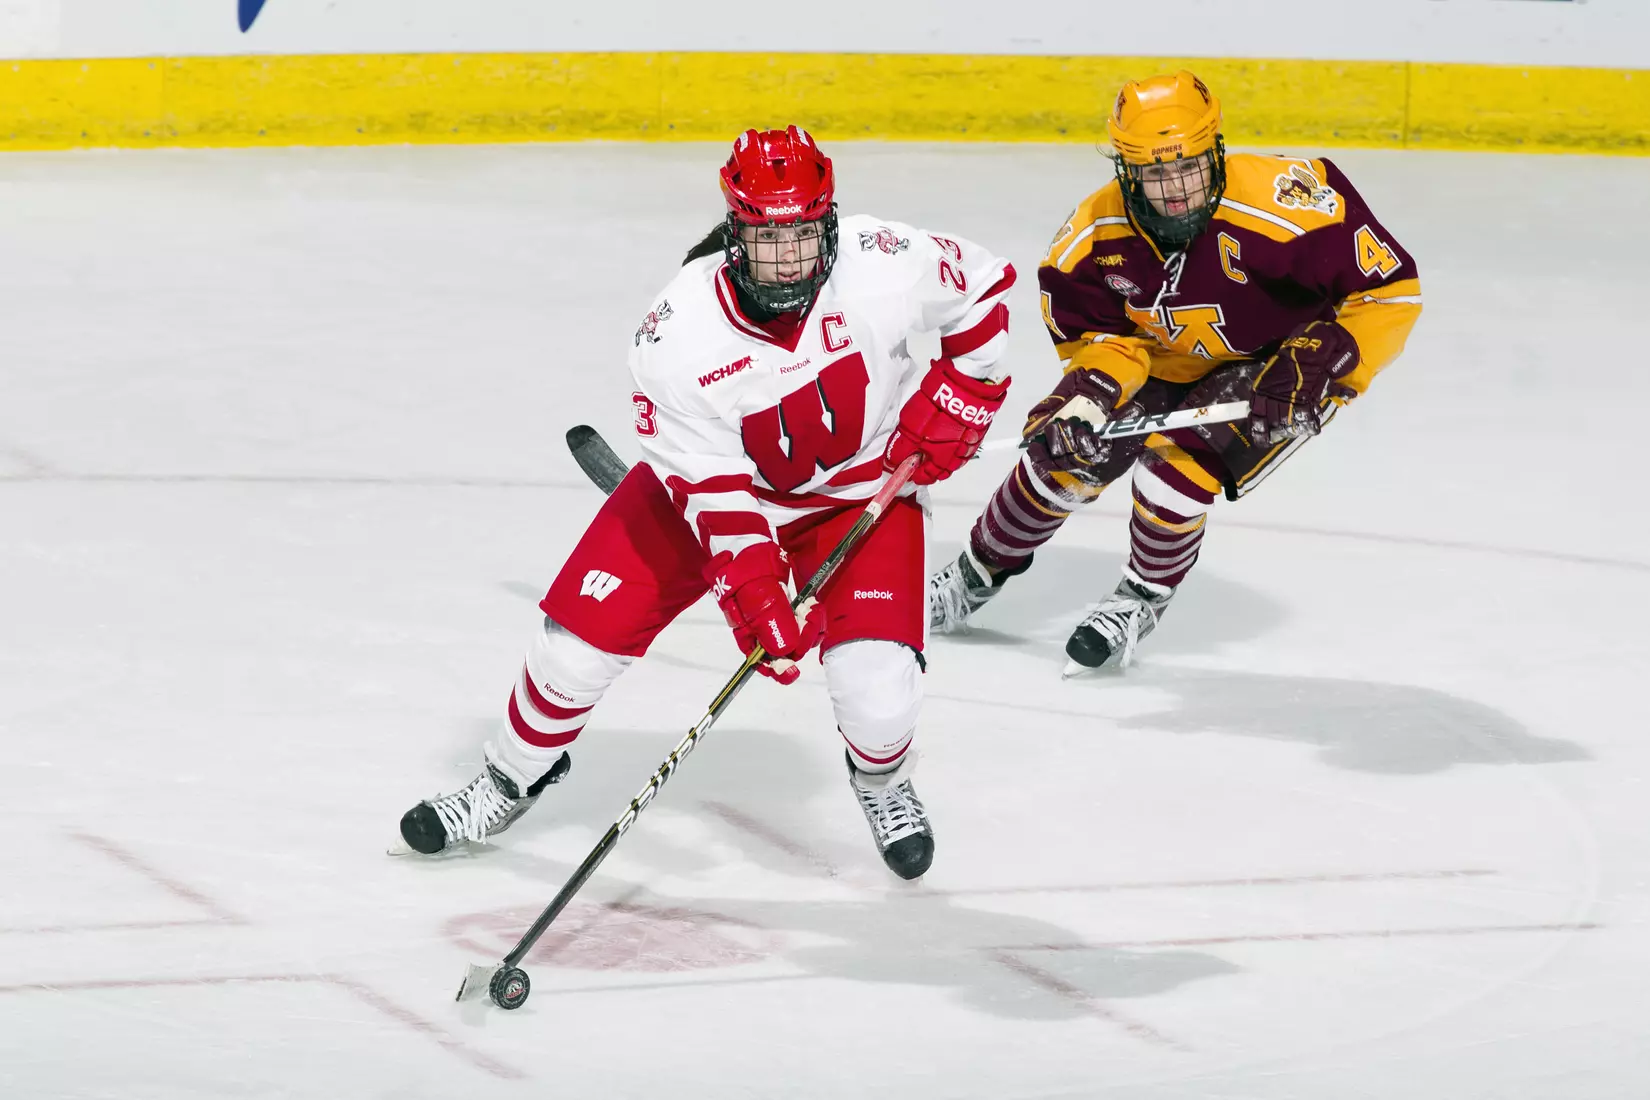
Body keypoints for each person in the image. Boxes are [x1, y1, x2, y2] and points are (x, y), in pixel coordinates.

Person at [397, 126, 1016, 879]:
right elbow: (717, 495)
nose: (787, 258)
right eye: (765, 238)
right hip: (702, 499)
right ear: (733, 232)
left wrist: (967, 391)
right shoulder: (676, 335)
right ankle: (507, 777)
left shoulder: (882, 260)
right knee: (571, 653)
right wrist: (754, 591)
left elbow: (981, 286)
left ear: (828, 222)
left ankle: (883, 780)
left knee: (879, 700)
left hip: (858, 500)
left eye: (802, 236)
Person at [928, 71, 1422, 673]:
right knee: (1060, 457)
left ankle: (1142, 596)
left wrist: (1323, 359)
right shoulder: (1090, 238)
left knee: (1171, 473)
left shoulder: (1293, 202)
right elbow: (1101, 339)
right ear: (1126, 170)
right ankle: (978, 569)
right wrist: (1092, 392)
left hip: (1273, 367)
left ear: (1215, 151)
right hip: (1158, 362)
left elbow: (1389, 293)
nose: (1177, 189)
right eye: (1156, 174)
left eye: (1188, 166)